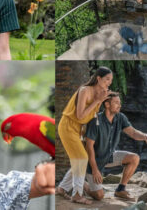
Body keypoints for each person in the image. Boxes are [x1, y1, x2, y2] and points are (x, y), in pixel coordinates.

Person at [84, 93, 147, 201]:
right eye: (116, 103)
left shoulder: (120, 117)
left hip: (109, 156)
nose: (120, 105)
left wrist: (145, 136)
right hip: (95, 161)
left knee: (134, 158)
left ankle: (120, 190)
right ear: (107, 104)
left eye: (120, 102)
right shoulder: (96, 121)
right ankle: (83, 185)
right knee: (99, 196)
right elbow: (89, 148)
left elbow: (133, 132)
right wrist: (95, 170)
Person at [56, 67, 112, 205]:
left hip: (78, 130)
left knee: (79, 158)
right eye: (107, 79)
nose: (109, 83)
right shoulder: (85, 91)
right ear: (98, 78)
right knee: (81, 157)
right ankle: (77, 195)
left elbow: (91, 117)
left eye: (110, 80)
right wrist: (97, 100)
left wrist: (101, 100)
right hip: (68, 127)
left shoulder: (99, 93)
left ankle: (62, 188)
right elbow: (80, 115)